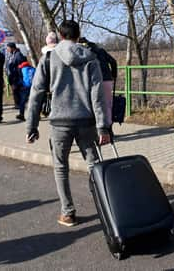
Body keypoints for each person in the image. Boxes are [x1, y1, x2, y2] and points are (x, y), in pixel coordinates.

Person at [25, 20, 110, 227]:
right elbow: (97, 95)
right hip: (86, 121)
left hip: (59, 122)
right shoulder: (91, 58)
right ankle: (107, 208)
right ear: (78, 35)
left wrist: (32, 126)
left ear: (61, 36)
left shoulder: (48, 58)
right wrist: (103, 126)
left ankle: (68, 212)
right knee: (94, 165)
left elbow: (36, 93)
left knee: (61, 167)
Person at [79, 37, 118, 130]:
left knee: (95, 104)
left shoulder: (85, 53)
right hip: (107, 80)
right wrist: (113, 75)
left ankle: (98, 128)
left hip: (93, 81)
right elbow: (113, 61)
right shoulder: (101, 51)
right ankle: (109, 128)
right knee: (108, 105)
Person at [5, 42, 26, 109]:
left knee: (17, 90)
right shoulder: (12, 55)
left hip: (17, 76)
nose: (7, 49)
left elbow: (20, 65)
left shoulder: (18, 55)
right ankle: (17, 104)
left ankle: (19, 104)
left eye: (8, 48)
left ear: (12, 48)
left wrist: (16, 71)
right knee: (15, 91)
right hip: (13, 76)